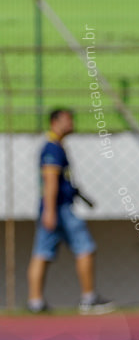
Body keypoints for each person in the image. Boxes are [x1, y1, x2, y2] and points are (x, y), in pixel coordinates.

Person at [27, 109, 114, 314]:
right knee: (84, 247)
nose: (72, 123)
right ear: (55, 122)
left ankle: (35, 302)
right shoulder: (52, 148)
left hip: (56, 208)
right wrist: (50, 210)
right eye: (68, 119)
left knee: (42, 252)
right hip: (59, 209)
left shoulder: (57, 147)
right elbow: (50, 180)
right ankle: (88, 298)